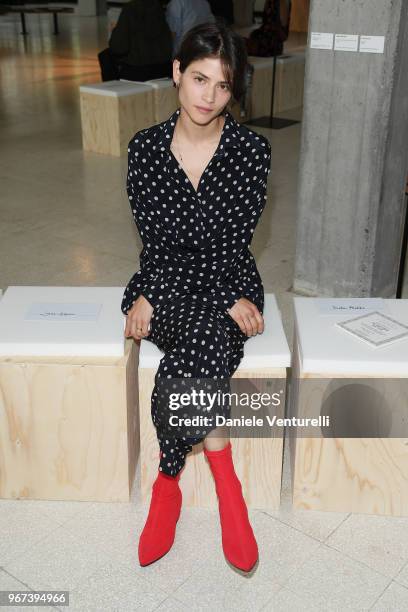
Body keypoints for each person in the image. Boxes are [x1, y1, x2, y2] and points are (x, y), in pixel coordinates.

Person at [122, 21, 271, 572]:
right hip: (163, 283)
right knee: (207, 344)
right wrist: (150, 296)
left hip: (228, 280)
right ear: (177, 74)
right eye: (199, 78)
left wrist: (230, 293)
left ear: (234, 92)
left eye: (224, 85)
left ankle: (168, 483)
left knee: (201, 344)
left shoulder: (251, 151)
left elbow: (232, 242)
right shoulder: (145, 151)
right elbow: (156, 243)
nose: (209, 96)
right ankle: (228, 490)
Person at [98, 0, 173, 82]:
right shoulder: (159, 8)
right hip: (163, 69)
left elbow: (118, 47)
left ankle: (113, 90)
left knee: (105, 57)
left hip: (136, 71)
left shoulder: (130, 9)